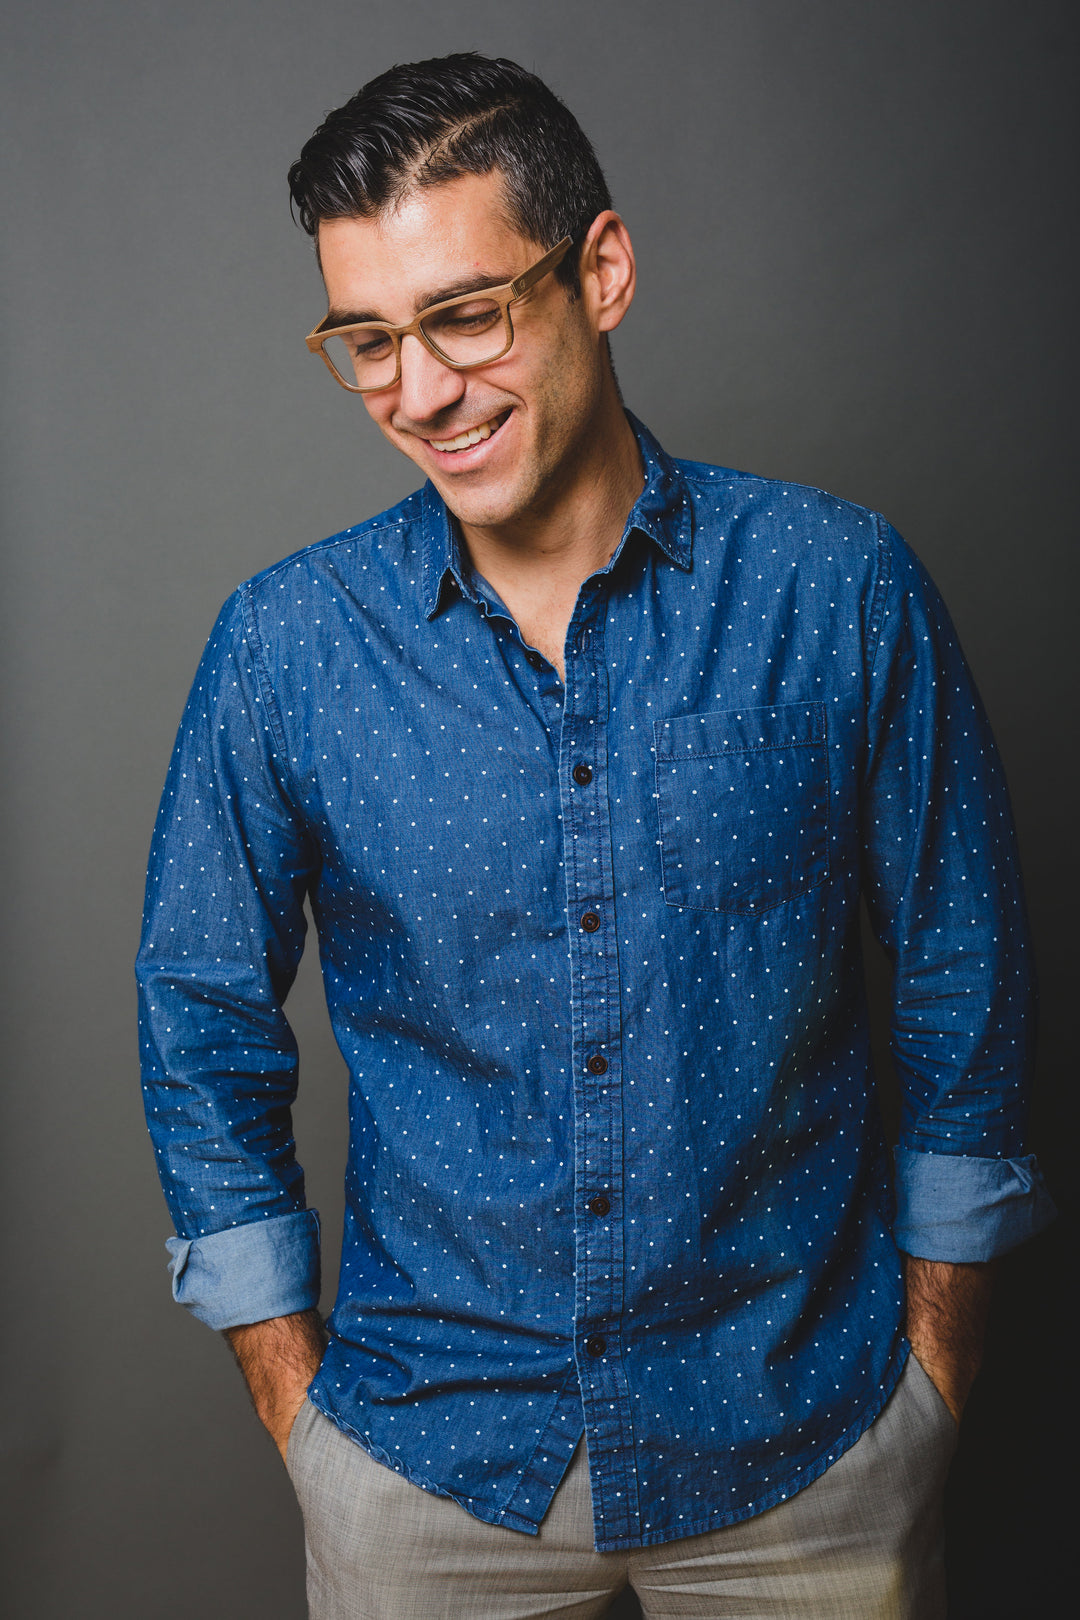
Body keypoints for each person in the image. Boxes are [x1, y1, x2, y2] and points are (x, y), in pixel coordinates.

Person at [136, 52, 1055, 1619]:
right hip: (426, 1466)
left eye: (465, 316)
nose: (418, 392)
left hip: (809, 1450)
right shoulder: (285, 645)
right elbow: (200, 1016)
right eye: (366, 340)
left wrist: (937, 1375)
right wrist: (299, 1412)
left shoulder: (838, 589)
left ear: (602, 273)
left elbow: (964, 968)